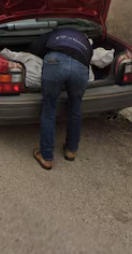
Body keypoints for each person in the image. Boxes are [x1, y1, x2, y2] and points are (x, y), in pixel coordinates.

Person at [28, 28, 93, 170]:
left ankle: (46, 157)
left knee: (49, 109)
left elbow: (35, 47)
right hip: (80, 66)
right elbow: (88, 59)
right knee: (75, 108)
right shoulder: (85, 40)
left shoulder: (53, 33)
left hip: (55, 60)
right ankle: (71, 150)